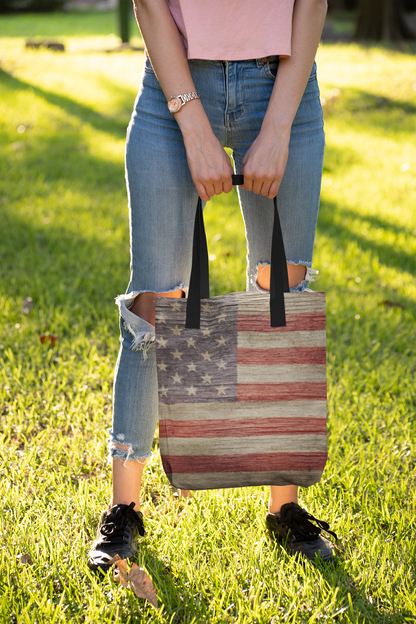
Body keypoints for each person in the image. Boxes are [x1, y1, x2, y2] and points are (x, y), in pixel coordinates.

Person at [88, 0, 337, 573]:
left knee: (282, 300)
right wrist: (193, 126)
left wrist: (277, 127)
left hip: (283, 86)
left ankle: (285, 510)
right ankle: (123, 510)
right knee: (152, 308)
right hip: (173, 85)